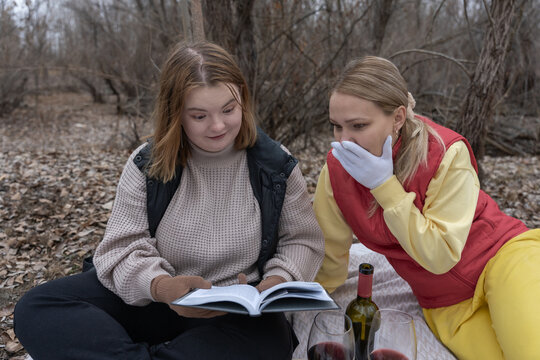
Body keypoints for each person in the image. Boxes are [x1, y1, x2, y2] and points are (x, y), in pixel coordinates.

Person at [14, 41, 325, 360]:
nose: (218, 126)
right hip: (155, 299)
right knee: (38, 308)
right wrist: (162, 286)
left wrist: (275, 282)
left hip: (234, 316)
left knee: (271, 345)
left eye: (228, 109)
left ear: (242, 101)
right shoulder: (147, 164)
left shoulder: (275, 165)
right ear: (175, 114)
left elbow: (302, 241)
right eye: (200, 115)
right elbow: (122, 247)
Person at [313, 55, 540, 360]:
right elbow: (329, 253)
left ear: (397, 117)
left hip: (504, 259)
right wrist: (304, 299)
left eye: (358, 126)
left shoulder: (446, 153)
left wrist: (384, 186)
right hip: (445, 303)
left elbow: (441, 254)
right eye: (336, 127)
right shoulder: (336, 171)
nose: (345, 141)